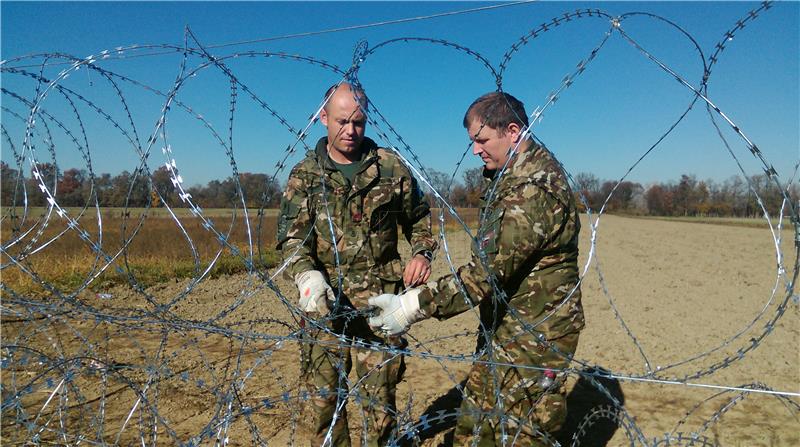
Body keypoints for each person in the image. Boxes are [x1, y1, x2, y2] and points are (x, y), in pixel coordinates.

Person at [367, 91, 585, 445]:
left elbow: (486, 273)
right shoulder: (508, 177)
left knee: (518, 433)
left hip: (534, 336)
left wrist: (411, 306)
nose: (475, 150)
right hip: (506, 325)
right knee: (479, 422)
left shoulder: (533, 190)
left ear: (513, 131)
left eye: (482, 140)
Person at [276, 82, 437, 447]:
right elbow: (291, 239)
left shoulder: (391, 168)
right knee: (323, 408)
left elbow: (420, 220)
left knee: (381, 411)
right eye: (342, 121)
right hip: (323, 308)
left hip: (380, 308)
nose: (351, 131)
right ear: (322, 118)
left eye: (359, 122)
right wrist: (307, 277)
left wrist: (421, 253)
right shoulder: (305, 176)